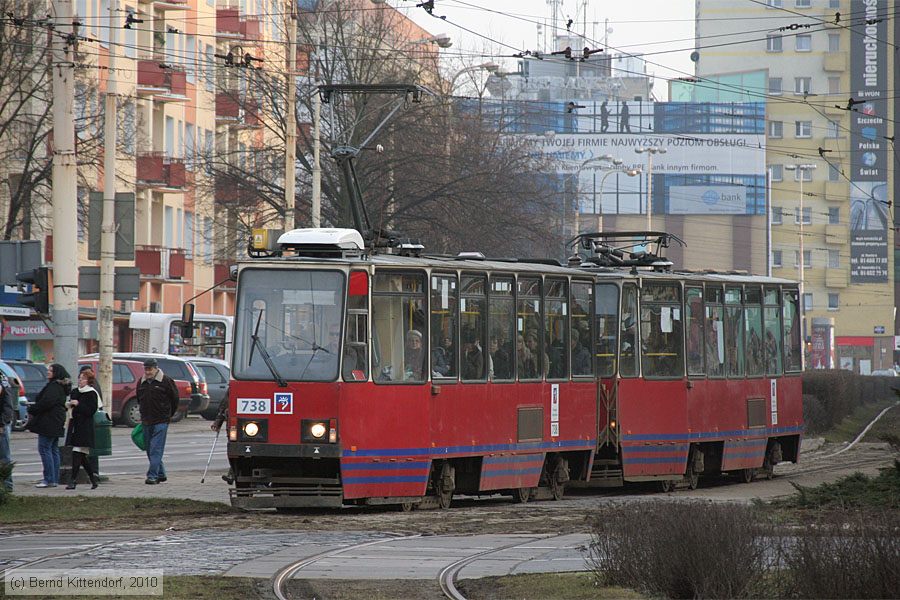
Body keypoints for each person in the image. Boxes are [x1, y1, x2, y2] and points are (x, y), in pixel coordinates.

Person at [137, 358, 180, 485]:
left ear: (156, 368)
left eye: (150, 369)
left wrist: (168, 415)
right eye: (146, 369)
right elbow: (140, 399)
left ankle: (152, 476)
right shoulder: (141, 382)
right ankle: (161, 473)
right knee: (150, 449)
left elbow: (175, 399)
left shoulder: (166, 381)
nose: (148, 372)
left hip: (161, 420)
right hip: (146, 420)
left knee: (156, 448)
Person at [28, 363, 69, 489]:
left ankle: (49, 479)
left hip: (49, 422)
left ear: (56, 373)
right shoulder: (61, 387)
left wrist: (33, 409)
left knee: (45, 449)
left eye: (51, 371)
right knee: (53, 450)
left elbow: (46, 402)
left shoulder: (53, 387)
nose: (48, 372)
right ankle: (54, 478)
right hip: (56, 421)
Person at [65, 368, 100, 490]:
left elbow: (91, 410)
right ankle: (93, 480)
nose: (80, 381)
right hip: (75, 426)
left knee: (76, 453)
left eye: (83, 379)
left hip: (85, 428)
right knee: (82, 457)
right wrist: (69, 405)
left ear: (89, 381)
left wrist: (78, 405)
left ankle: (72, 480)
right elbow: (70, 405)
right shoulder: (75, 392)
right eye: (79, 378)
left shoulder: (91, 393)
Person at [210, 391, 234, 484]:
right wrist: (218, 421)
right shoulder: (233, 388)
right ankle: (232, 474)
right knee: (233, 451)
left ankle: (232, 474)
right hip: (233, 425)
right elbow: (224, 405)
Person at [0, 372, 15, 492]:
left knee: (4, 457)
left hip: (2, 426)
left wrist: (2, 423)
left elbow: (7, 406)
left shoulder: (3, 383)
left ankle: (7, 486)